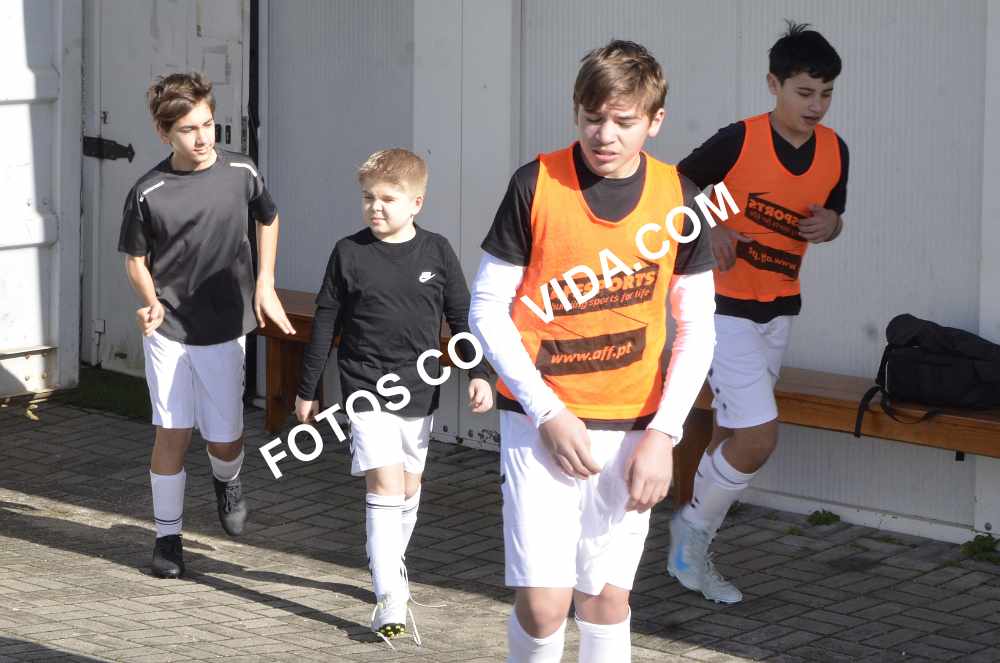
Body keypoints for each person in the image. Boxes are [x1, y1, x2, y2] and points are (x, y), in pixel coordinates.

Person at [470, 40, 716, 662]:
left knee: (606, 601)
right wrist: (547, 412)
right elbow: (487, 309)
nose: (604, 135)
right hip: (541, 419)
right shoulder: (535, 183)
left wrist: (665, 435)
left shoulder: (680, 197)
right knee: (545, 606)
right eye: (592, 117)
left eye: (623, 121)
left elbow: (697, 329)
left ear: (655, 121)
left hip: (634, 426)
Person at [668, 21, 849, 604]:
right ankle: (689, 535)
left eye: (825, 94)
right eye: (804, 92)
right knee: (758, 437)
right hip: (723, 307)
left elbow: (832, 217)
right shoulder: (739, 140)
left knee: (732, 432)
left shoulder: (835, 150)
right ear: (774, 85)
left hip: (780, 308)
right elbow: (674, 183)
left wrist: (833, 225)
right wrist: (711, 226)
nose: (816, 105)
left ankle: (691, 544)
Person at [294, 148, 493, 645]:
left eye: (387, 198)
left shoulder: (437, 252)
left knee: (407, 487)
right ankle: (389, 596)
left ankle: (391, 568)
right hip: (364, 388)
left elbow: (461, 317)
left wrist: (479, 372)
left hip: (419, 388)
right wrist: (308, 388)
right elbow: (325, 323)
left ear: (416, 202)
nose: (375, 207)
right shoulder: (348, 253)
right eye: (368, 198)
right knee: (384, 485)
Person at [119, 71, 294, 579]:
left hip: (224, 325)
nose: (202, 138)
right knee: (172, 431)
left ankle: (227, 479)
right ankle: (167, 538)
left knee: (225, 440)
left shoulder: (242, 171)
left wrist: (265, 282)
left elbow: (268, 218)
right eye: (189, 129)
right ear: (164, 133)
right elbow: (135, 261)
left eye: (208, 124)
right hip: (169, 328)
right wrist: (151, 302)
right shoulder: (147, 191)